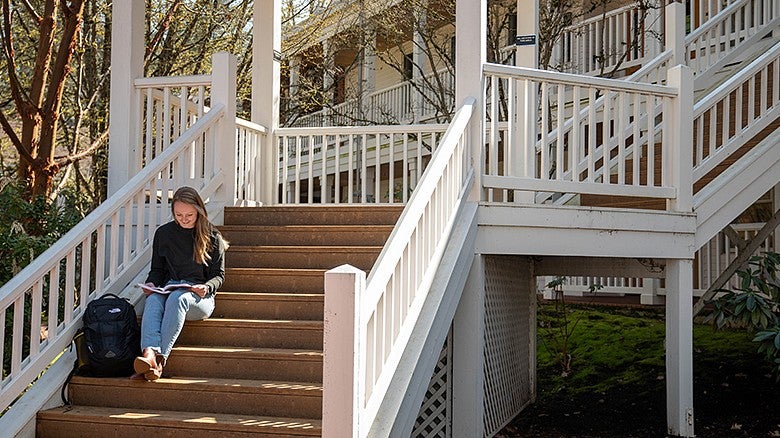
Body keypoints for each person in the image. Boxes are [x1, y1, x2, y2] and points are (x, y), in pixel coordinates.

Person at [133, 186, 228, 381]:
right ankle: (149, 354)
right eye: (179, 214)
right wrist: (151, 284)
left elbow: (219, 276)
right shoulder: (164, 234)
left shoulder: (212, 236)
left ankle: (159, 361)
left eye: (189, 215)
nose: (184, 219)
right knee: (152, 300)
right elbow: (157, 270)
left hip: (199, 299)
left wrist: (207, 287)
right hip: (171, 288)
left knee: (178, 298)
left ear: (199, 211)